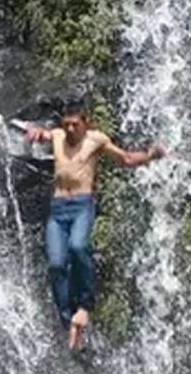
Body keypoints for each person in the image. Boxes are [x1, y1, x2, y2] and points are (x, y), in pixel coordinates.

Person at [22, 103, 166, 350]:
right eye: (66, 123)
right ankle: (70, 324)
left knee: (78, 247)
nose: (69, 128)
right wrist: (35, 131)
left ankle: (85, 305)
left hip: (81, 206)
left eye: (74, 124)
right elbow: (41, 134)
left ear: (85, 122)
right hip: (57, 209)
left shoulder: (96, 140)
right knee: (56, 265)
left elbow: (126, 158)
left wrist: (151, 155)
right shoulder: (57, 135)